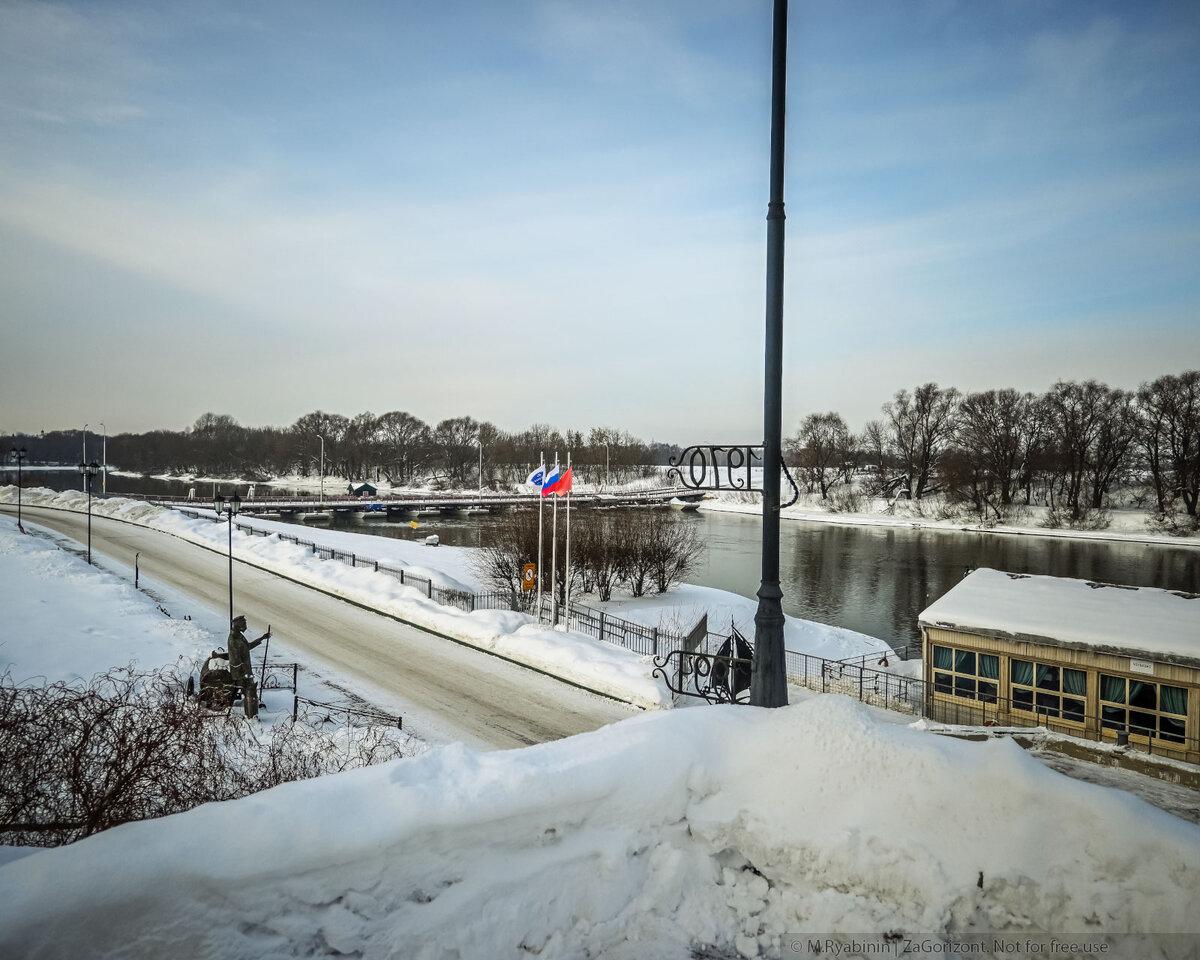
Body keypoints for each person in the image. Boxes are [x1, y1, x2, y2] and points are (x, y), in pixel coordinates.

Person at [225, 615, 270, 718]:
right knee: (250, 693)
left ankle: (252, 713)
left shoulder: (239, 636)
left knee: (250, 692)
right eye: (243, 624)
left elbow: (247, 647)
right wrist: (244, 673)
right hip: (240, 673)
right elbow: (235, 658)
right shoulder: (233, 639)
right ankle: (251, 717)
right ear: (238, 625)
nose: (245, 626)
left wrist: (262, 638)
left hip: (245, 671)